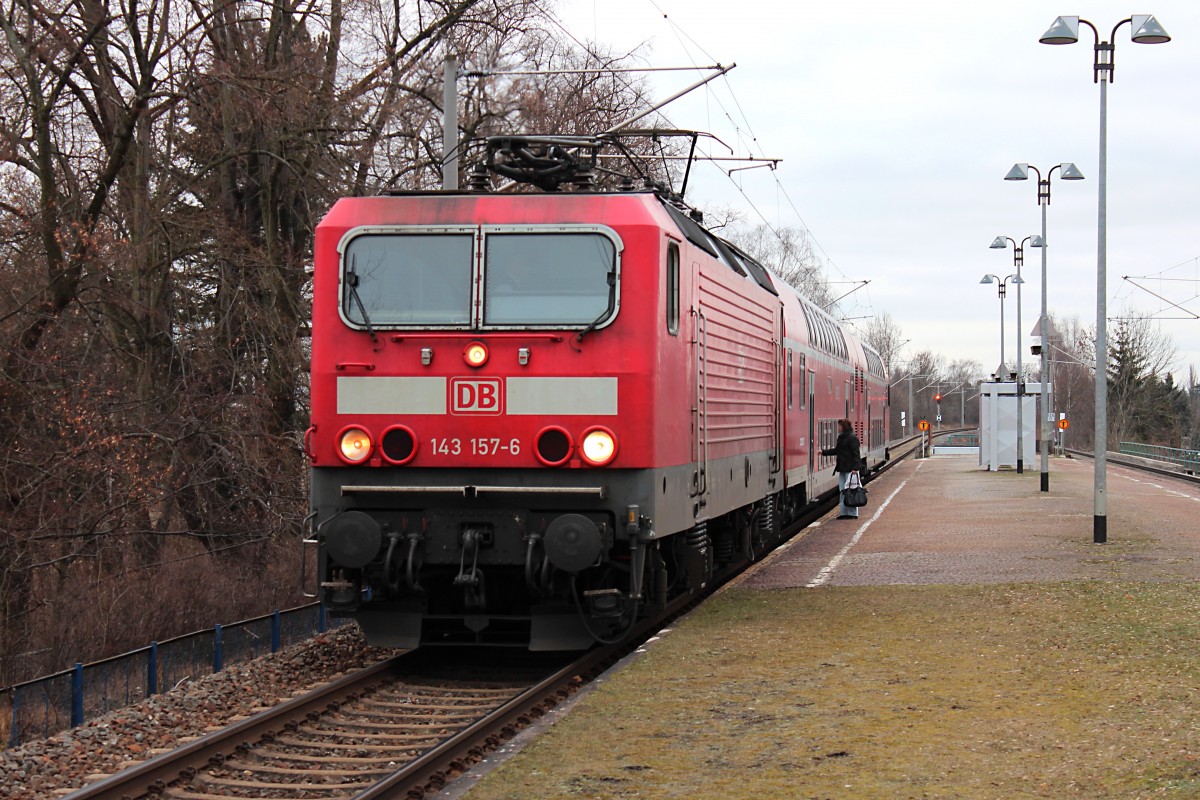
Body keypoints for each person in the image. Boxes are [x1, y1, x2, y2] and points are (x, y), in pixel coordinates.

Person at [821, 419, 862, 520]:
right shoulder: (841, 438)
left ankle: (852, 513)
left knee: (851, 491)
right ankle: (843, 512)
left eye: (840, 426)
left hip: (850, 469)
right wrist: (823, 452)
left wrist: (855, 468)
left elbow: (856, 454)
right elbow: (837, 450)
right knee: (843, 490)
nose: (838, 428)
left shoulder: (852, 438)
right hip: (842, 468)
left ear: (844, 427)